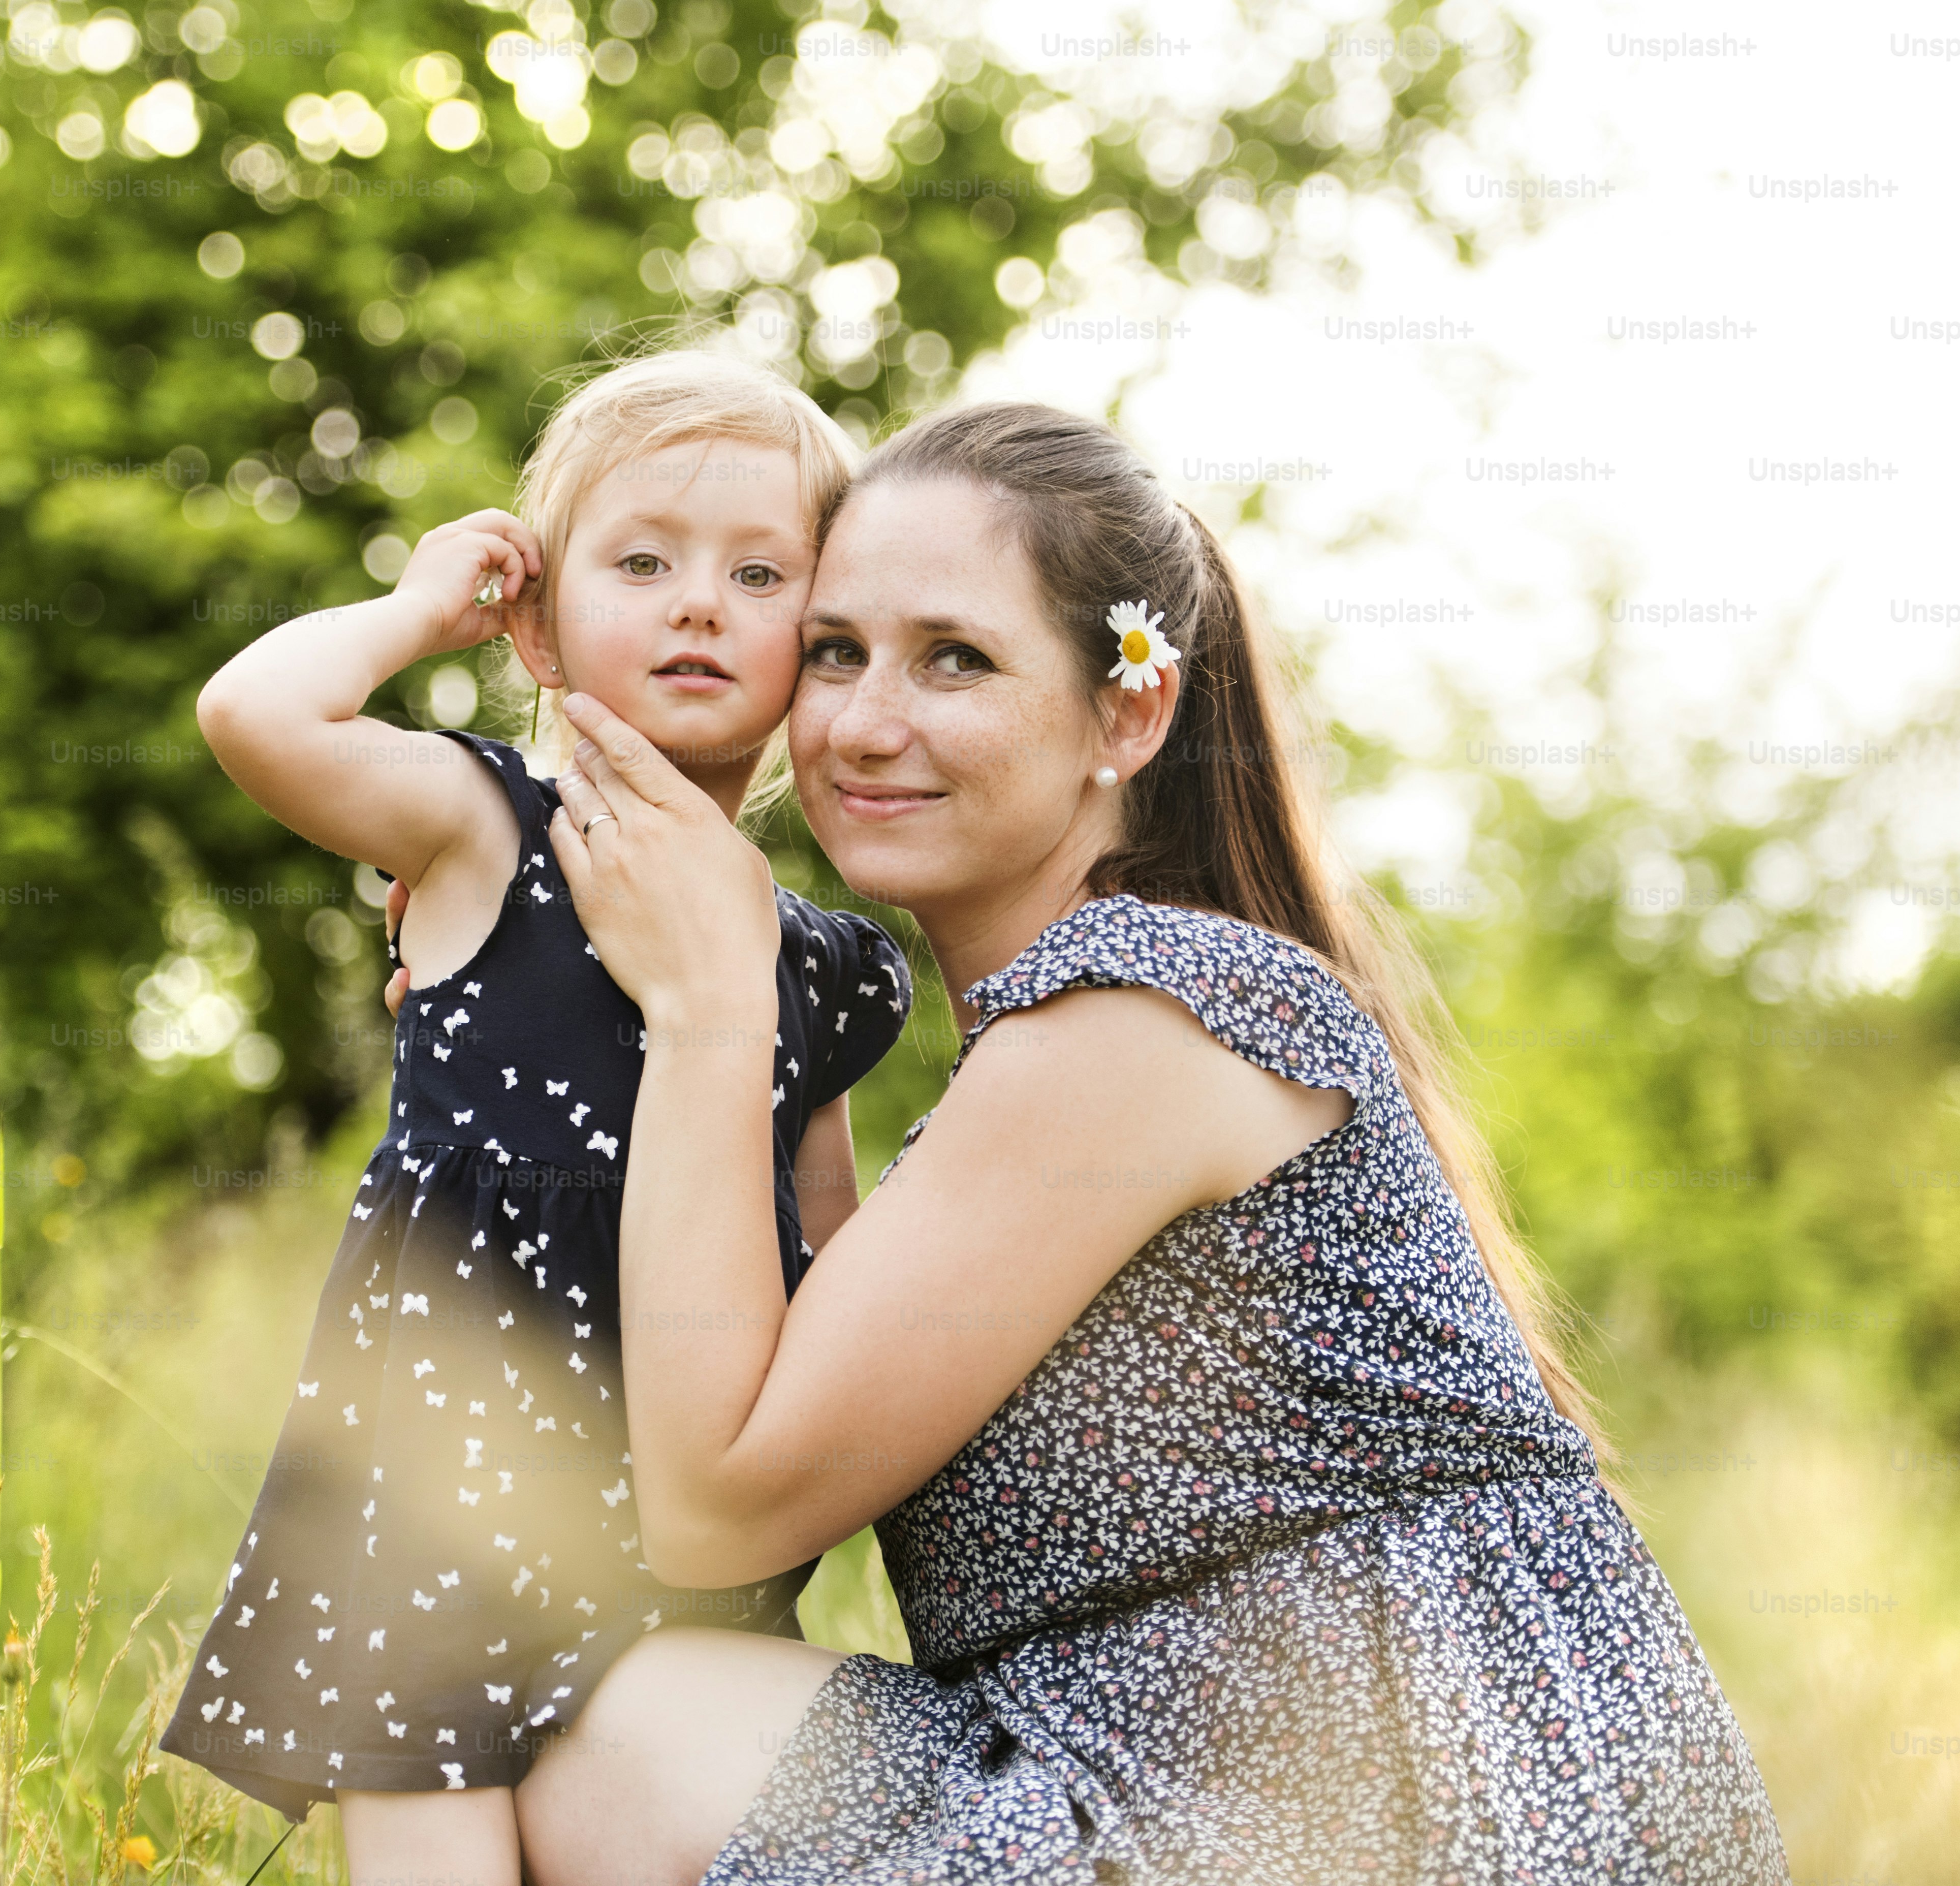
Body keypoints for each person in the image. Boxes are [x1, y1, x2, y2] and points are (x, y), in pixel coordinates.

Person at [507, 403, 1792, 1883]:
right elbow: (770, 1403)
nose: (864, 722)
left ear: (1129, 711)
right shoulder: (1063, 1052)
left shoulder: (1145, 1021)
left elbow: (718, 1504)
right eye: (839, 651)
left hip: (1415, 1818)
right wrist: (527, 980)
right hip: (1236, 1791)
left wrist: (713, 1005)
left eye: (957, 659)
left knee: (623, 1733)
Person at [154, 352, 913, 1886]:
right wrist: (420, 613)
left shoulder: (825, 965)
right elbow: (254, 712)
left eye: (759, 573)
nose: (699, 602)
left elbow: (833, 1254)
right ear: (543, 611)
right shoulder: (481, 826)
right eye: (642, 562)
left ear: (817, 638)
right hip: (441, 1481)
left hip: (678, 1510)